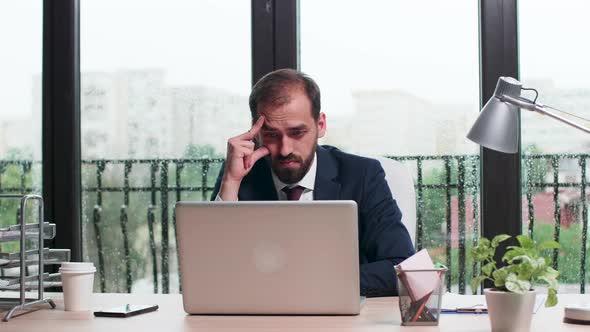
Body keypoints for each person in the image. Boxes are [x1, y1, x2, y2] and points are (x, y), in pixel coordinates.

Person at [211, 68, 414, 297]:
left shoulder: (363, 175)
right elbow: (210, 268)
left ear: (320, 125)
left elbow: (401, 265)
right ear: (255, 132)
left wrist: (309, 283)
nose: (285, 149)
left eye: (297, 133)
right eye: (271, 135)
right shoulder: (239, 176)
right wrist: (230, 182)